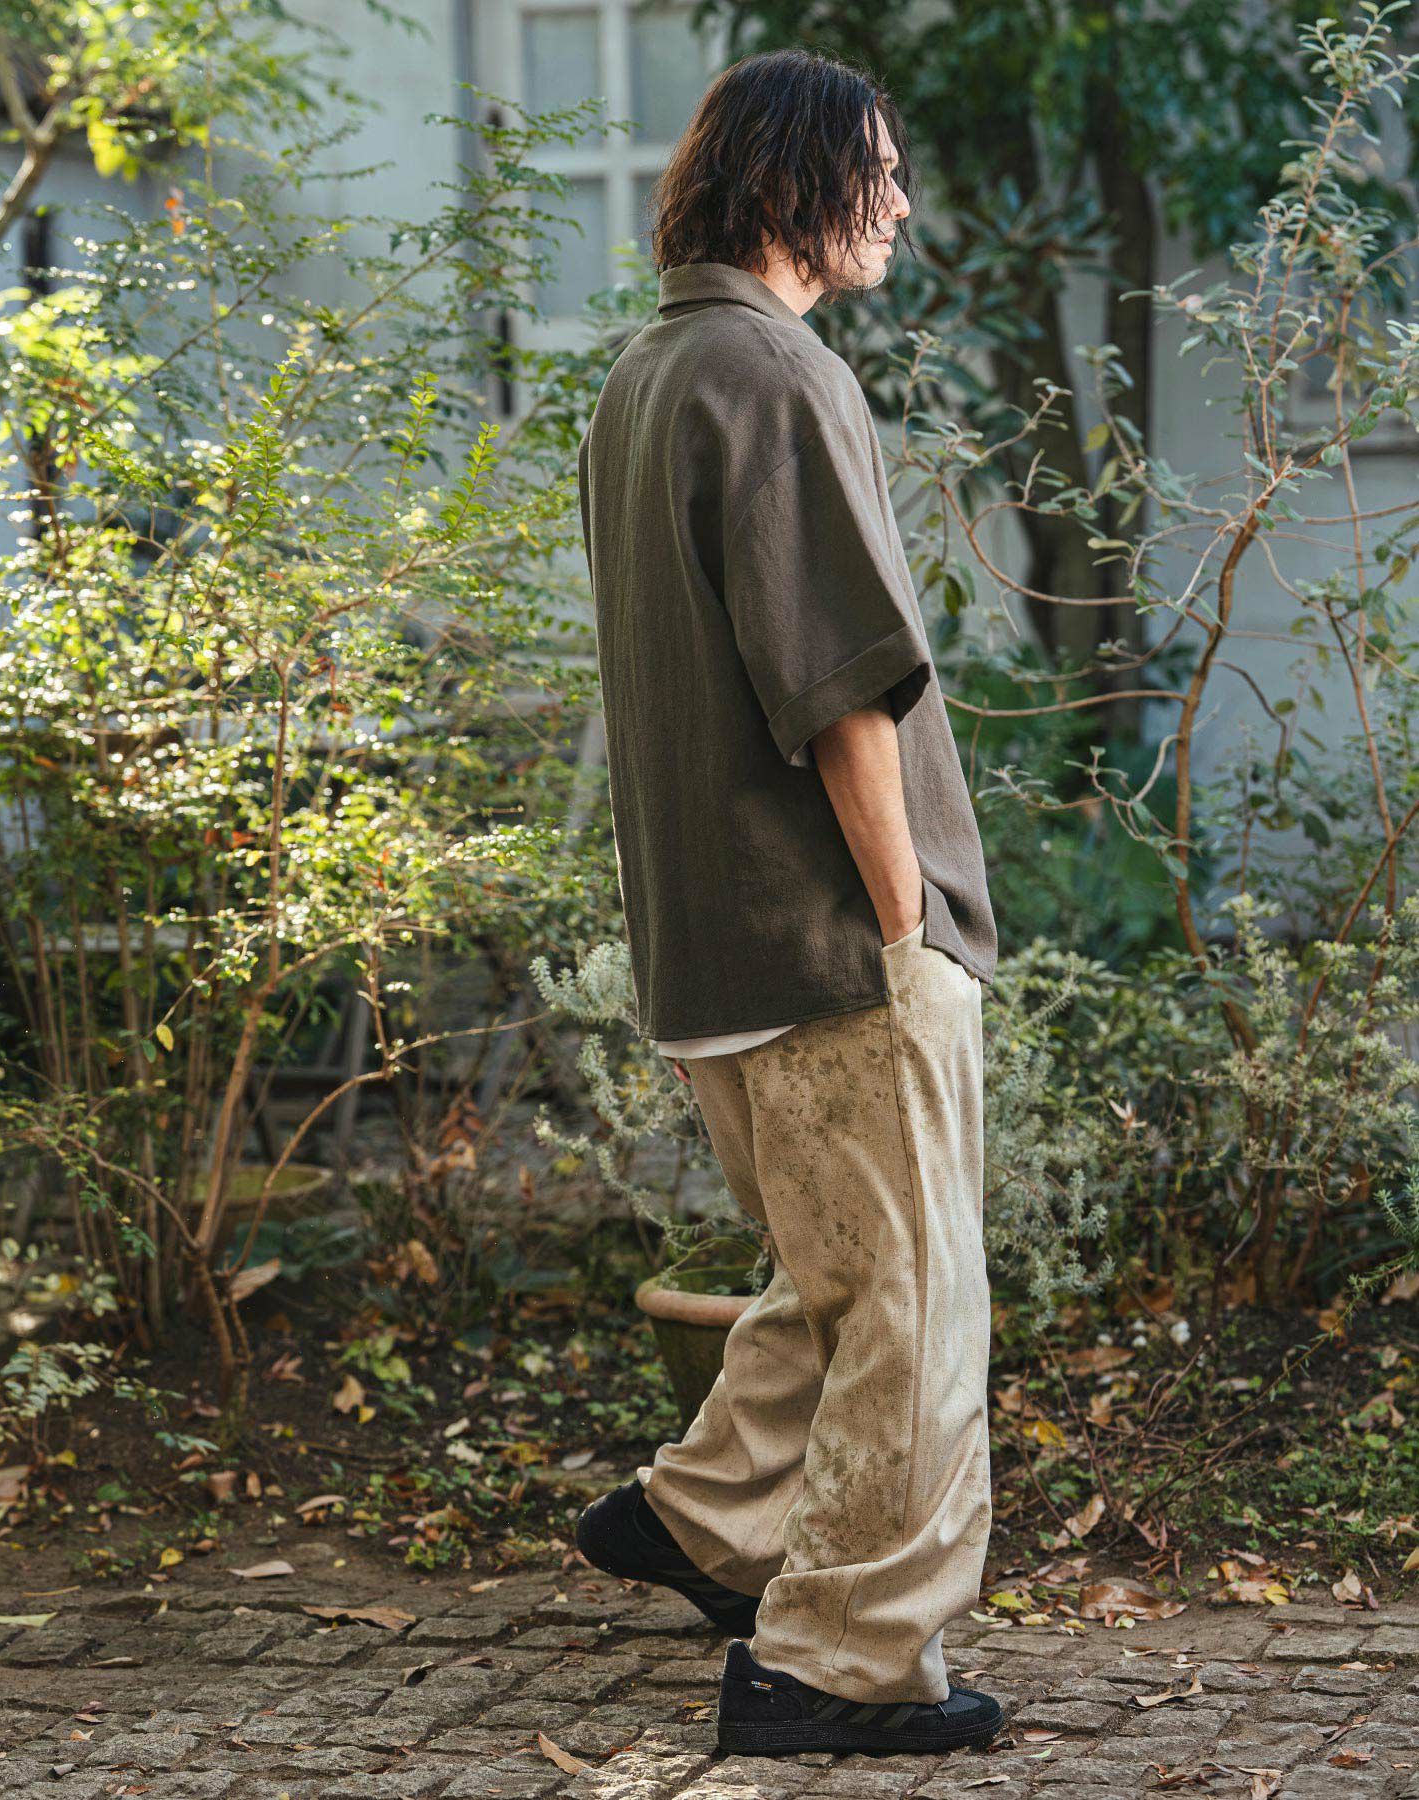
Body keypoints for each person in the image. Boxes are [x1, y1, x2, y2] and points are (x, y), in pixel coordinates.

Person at [572, 45, 1003, 1759]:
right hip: (830, 946)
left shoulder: (649, 373)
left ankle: (704, 1522)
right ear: (791, 182)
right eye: (875, 170)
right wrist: (908, 934)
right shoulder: (775, 372)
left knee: (841, 1275)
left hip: (713, 949)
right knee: (914, 1313)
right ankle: (837, 1661)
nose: (897, 200)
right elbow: (838, 693)